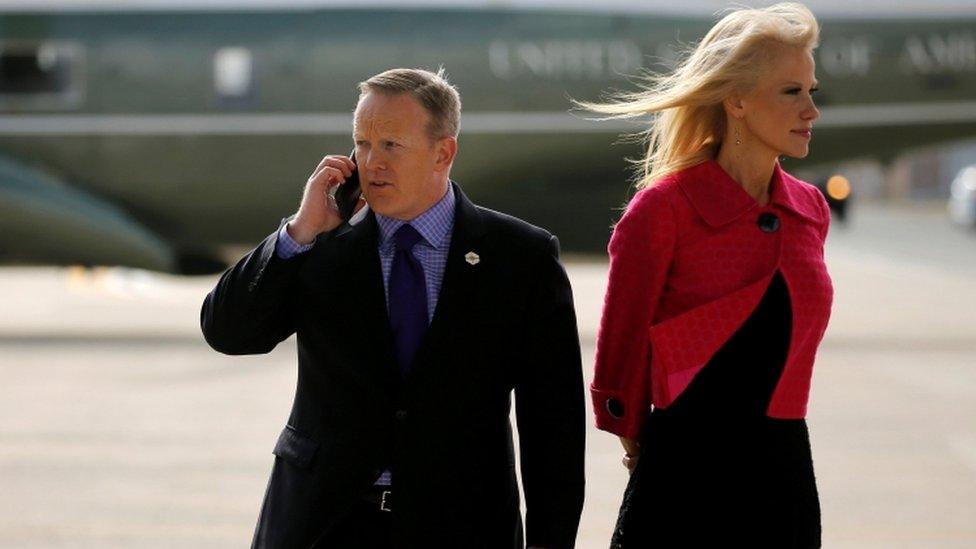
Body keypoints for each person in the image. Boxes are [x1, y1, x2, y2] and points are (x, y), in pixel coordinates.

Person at [200, 67, 584, 549]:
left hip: (461, 527)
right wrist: (298, 232)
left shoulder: (520, 257)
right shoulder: (322, 243)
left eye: (391, 146)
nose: (370, 162)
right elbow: (229, 333)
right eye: (362, 143)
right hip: (322, 525)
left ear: (443, 152)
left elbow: (555, 431)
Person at [582, 3, 832, 547]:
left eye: (812, 90)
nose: (811, 109)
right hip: (685, 483)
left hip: (785, 480)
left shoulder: (811, 209)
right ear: (736, 99)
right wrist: (641, 447)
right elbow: (620, 351)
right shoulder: (663, 209)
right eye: (792, 92)